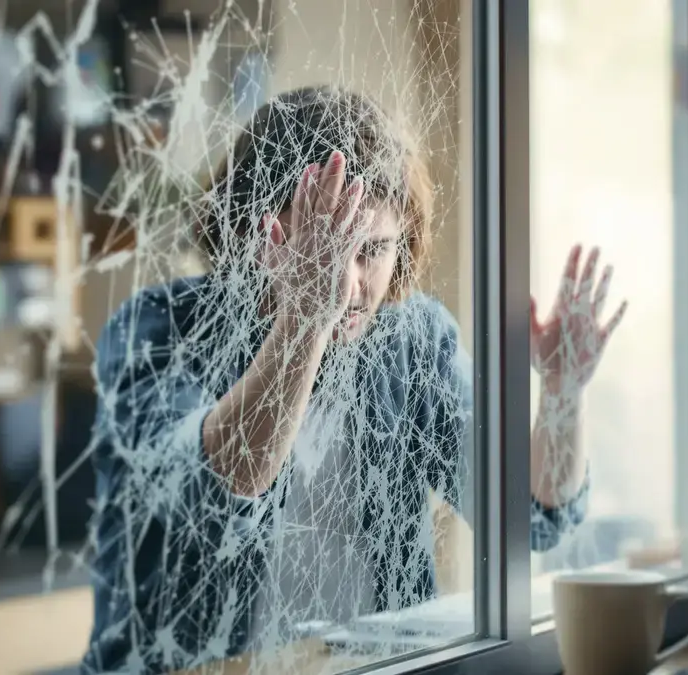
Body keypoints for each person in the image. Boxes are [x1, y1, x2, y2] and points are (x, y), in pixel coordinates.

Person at [82, 86, 627, 673]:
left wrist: (562, 396)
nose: (350, 279)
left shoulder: (411, 338)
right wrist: (303, 323)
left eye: (373, 249)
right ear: (251, 232)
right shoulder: (156, 329)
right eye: (321, 247)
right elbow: (211, 502)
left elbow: (529, 516)